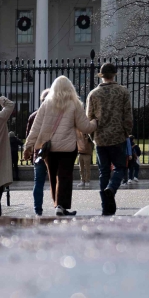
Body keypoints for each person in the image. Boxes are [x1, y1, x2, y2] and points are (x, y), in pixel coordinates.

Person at [25, 76, 96, 217]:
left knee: (53, 177)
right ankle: (61, 206)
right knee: (65, 177)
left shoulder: (46, 103)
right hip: (67, 148)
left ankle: (57, 204)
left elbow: (36, 127)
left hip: (50, 149)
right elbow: (84, 127)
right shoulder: (75, 104)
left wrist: (29, 145)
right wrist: (94, 123)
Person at [86, 62, 133, 216]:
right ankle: (112, 188)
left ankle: (106, 207)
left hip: (100, 138)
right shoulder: (123, 91)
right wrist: (127, 132)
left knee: (103, 172)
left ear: (101, 76)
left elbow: (89, 117)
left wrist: (93, 136)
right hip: (117, 136)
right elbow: (128, 115)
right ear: (114, 75)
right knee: (120, 168)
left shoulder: (93, 94)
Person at [23, 89, 50, 215]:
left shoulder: (33, 116)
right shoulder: (56, 115)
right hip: (53, 152)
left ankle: (37, 209)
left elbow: (29, 137)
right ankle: (59, 206)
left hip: (38, 153)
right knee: (57, 180)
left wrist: (28, 150)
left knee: (38, 182)